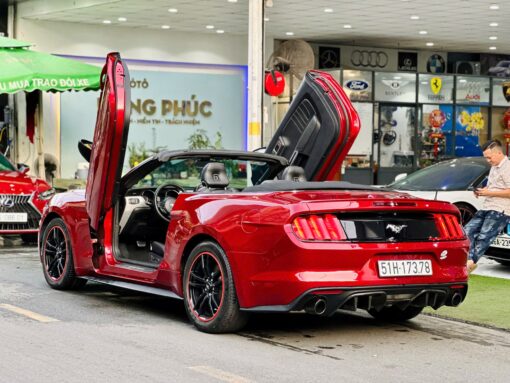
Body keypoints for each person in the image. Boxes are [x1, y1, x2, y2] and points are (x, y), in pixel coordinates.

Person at [464, 139, 510, 273]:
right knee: (467, 231)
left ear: (499, 153)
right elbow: (494, 187)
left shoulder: (507, 168)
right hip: (487, 206)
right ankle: (470, 261)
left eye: (489, 157)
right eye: (486, 158)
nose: (487, 160)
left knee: (484, 236)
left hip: (501, 209)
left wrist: (488, 192)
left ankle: (470, 263)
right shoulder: (494, 168)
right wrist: (482, 191)